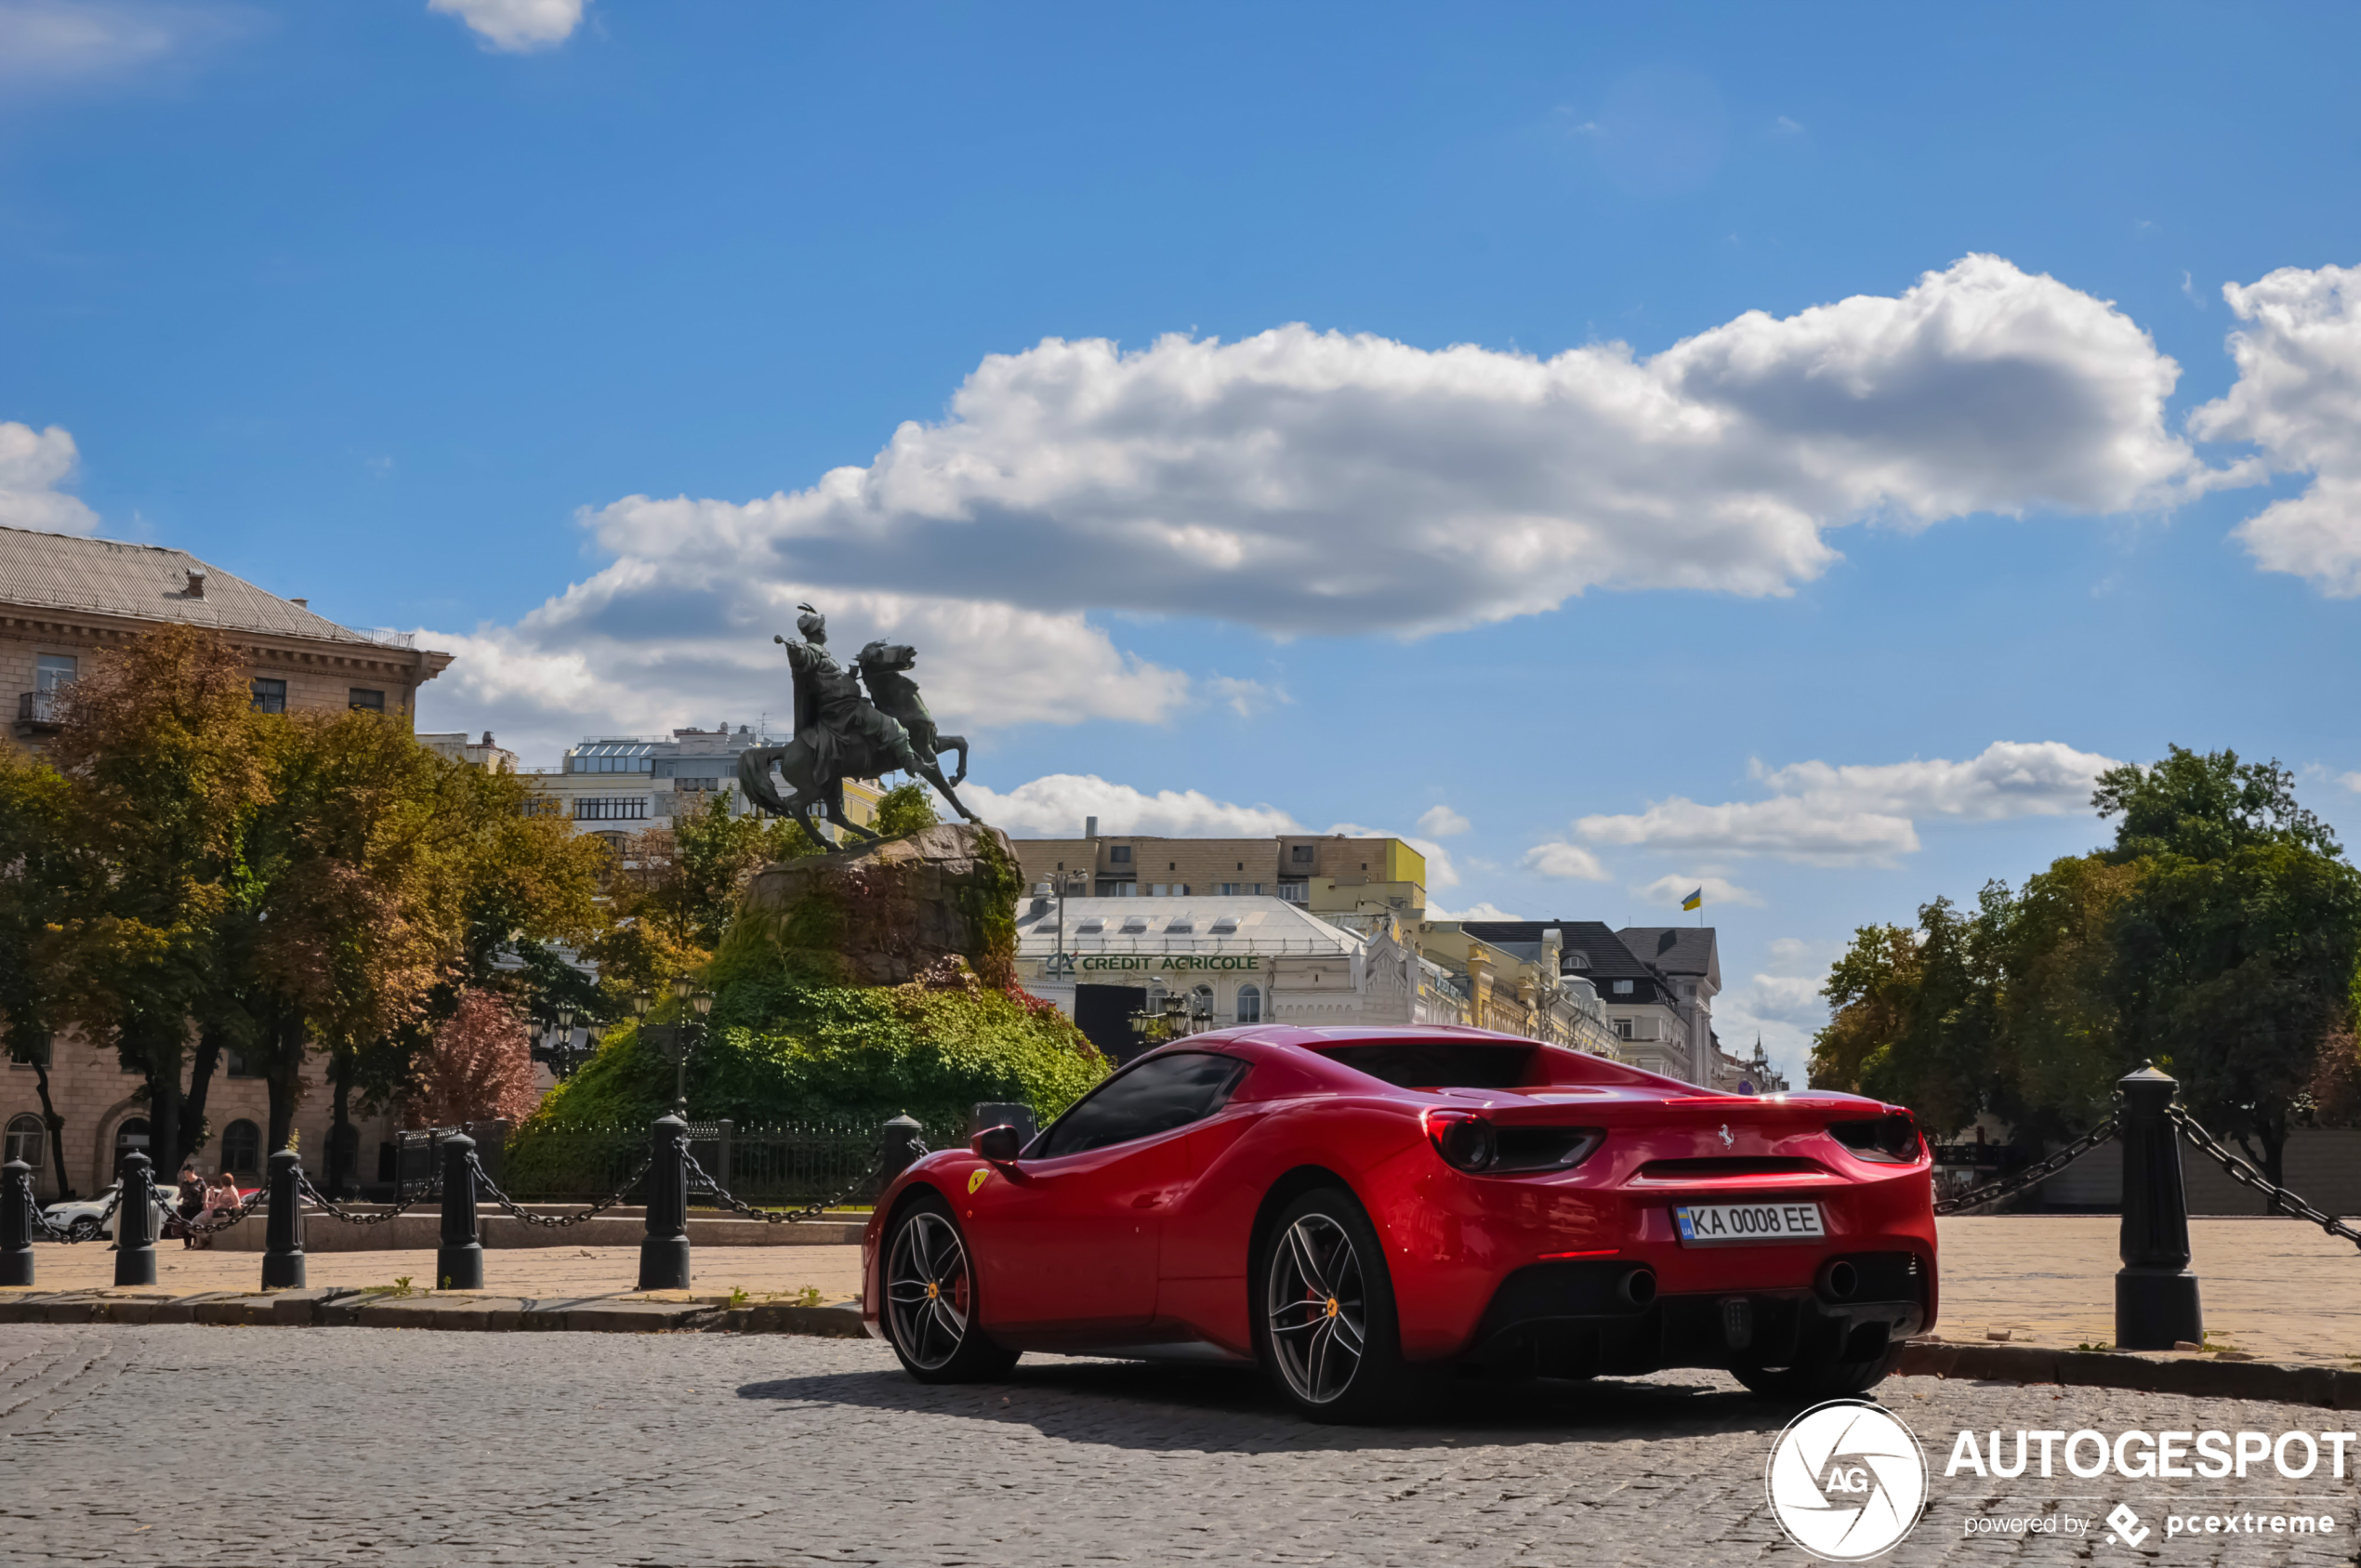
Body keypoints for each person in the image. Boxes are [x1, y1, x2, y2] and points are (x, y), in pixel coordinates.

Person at [174, 1165, 204, 1249]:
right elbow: (182, 1191)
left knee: (194, 1224)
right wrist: (178, 1197)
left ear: (193, 1172)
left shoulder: (200, 1181)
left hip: (196, 1206)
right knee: (185, 1224)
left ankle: (196, 1242)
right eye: (185, 1173)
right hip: (186, 1206)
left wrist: (205, 1202)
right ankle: (187, 1244)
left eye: (188, 1173)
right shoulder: (184, 1182)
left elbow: (205, 1192)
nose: (186, 1174)